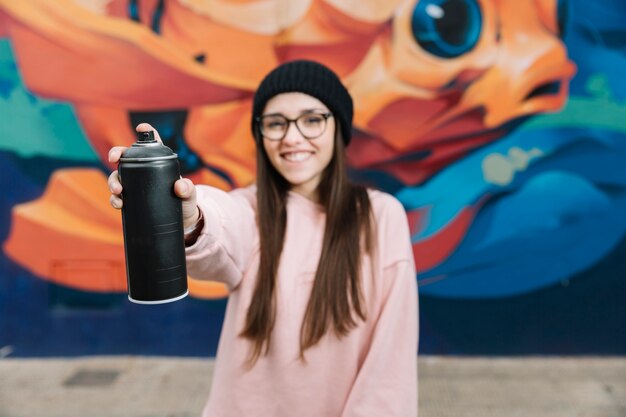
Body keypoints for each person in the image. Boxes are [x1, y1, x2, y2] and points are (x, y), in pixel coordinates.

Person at [108, 60, 418, 416]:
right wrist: (186, 210)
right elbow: (220, 224)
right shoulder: (249, 209)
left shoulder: (380, 216)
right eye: (276, 123)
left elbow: (389, 368)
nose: (292, 137)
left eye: (312, 120)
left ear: (339, 129)